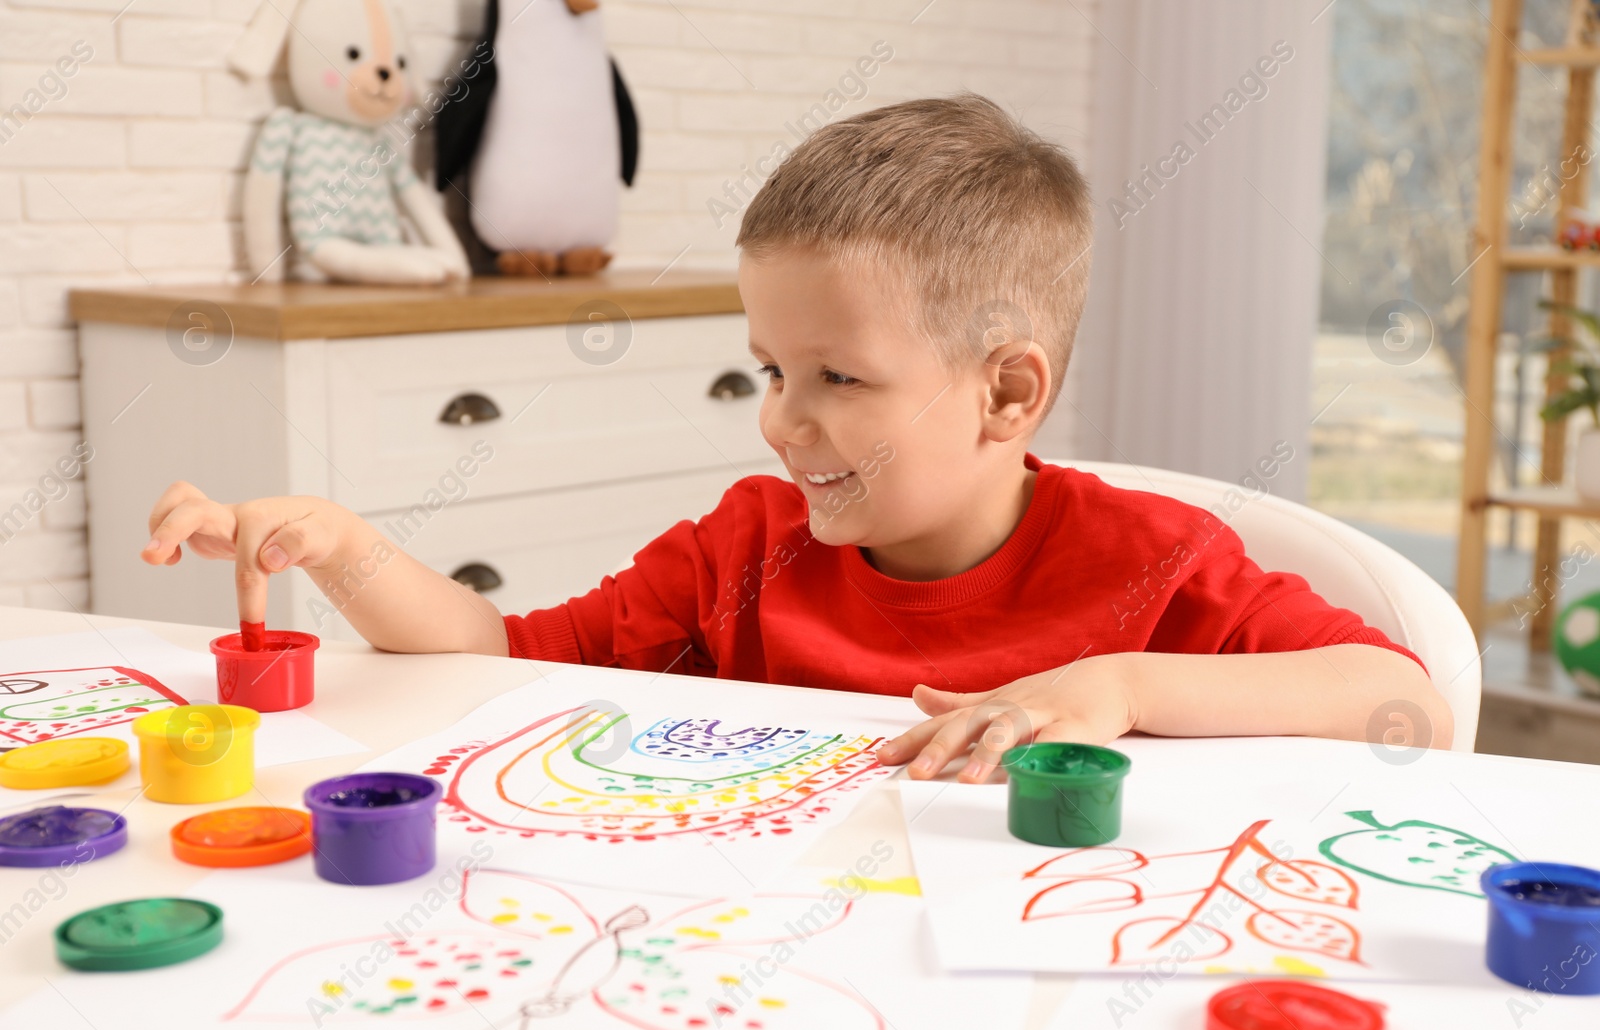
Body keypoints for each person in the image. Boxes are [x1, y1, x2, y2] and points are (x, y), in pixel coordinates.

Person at [141, 94, 1451, 784]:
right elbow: (502, 657)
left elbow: (1403, 700)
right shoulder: (743, 549)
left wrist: (1124, 687)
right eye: (768, 368)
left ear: (1007, 396)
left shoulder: (1153, 561)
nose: (783, 419)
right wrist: (348, 547)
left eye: (838, 376)